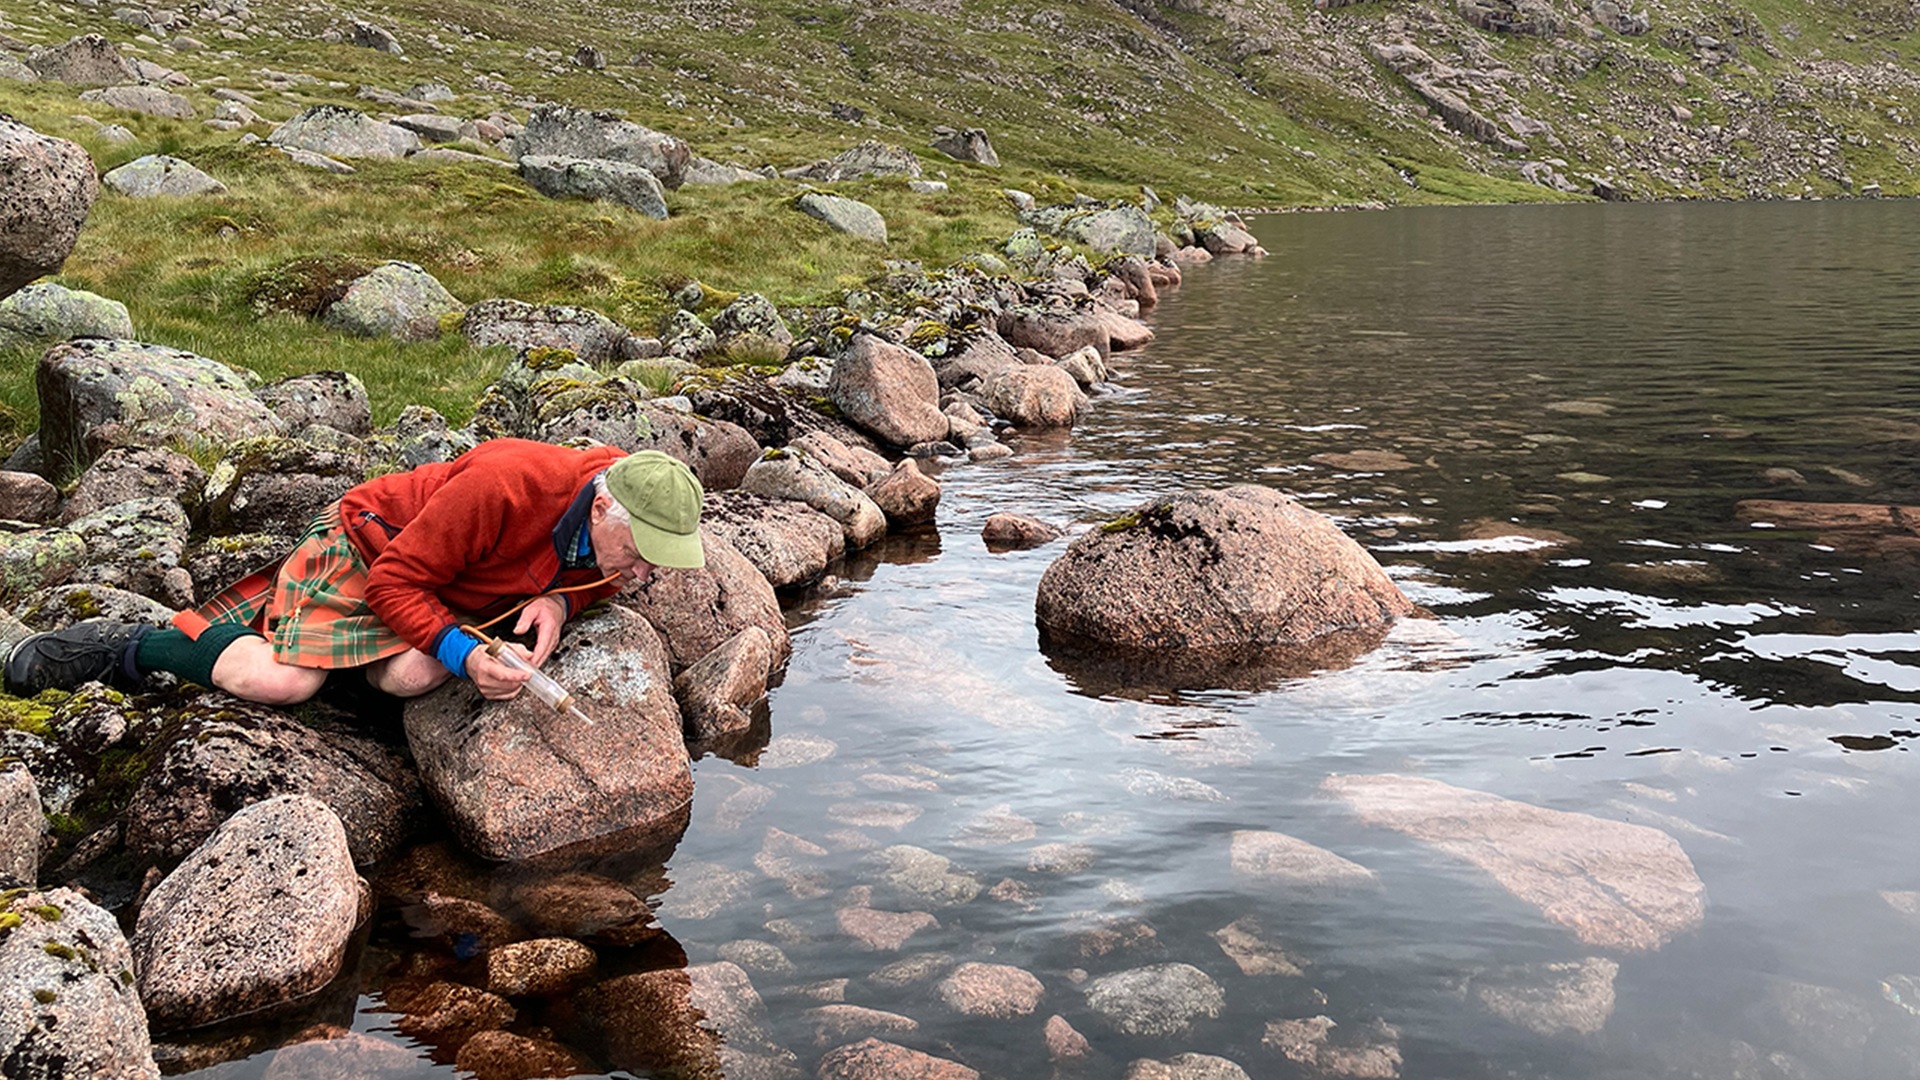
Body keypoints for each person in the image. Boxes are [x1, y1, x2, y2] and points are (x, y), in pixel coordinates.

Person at [2, 440, 705, 704]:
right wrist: (462, 646)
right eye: (638, 550)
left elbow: (595, 573)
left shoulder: (619, 518)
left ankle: (344, 671)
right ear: (603, 503)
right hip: (369, 550)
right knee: (279, 682)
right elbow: (394, 582)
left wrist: (556, 601)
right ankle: (129, 643)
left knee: (415, 676)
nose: (641, 571)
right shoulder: (506, 485)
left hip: (445, 584)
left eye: (655, 559)